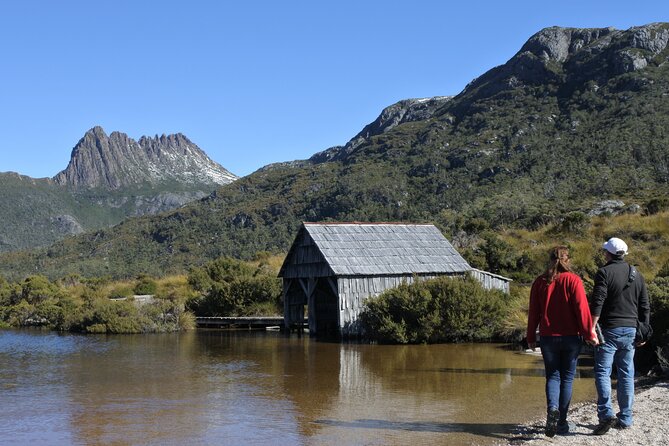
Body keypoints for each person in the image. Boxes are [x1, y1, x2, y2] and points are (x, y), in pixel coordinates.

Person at [527, 246, 596, 437]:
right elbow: (582, 310)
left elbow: (533, 312)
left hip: (548, 338)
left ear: (550, 260)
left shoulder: (540, 282)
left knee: (552, 377)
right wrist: (589, 334)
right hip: (571, 338)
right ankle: (562, 423)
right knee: (566, 378)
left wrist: (531, 337)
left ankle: (552, 411)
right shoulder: (573, 280)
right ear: (568, 260)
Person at [589, 237, 650, 435]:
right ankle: (626, 417)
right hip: (631, 331)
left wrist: (591, 326)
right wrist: (644, 329)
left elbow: (597, 302)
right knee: (626, 374)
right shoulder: (636, 274)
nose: (603, 253)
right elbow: (644, 305)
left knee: (602, 372)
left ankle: (606, 414)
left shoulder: (604, 272)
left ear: (609, 253)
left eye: (605, 251)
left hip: (608, 331)